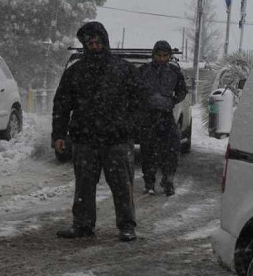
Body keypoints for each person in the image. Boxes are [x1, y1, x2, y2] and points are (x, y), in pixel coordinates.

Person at [52, 21, 140, 242]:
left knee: (122, 186)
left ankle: (127, 226)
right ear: (84, 45)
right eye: (89, 43)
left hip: (117, 141)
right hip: (84, 140)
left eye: (98, 41)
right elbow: (61, 105)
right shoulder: (75, 72)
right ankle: (82, 224)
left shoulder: (124, 69)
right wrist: (59, 135)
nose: (94, 46)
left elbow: (140, 101)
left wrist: (130, 127)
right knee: (84, 186)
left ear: (105, 41)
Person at [138, 40, 188, 197]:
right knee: (148, 150)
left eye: (165, 56)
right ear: (153, 55)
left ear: (169, 57)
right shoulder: (143, 71)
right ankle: (149, 182)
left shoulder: (174, 72)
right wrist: (142, 102)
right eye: (158, 55)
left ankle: (168, 181)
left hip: (166, 115)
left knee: (171, 149)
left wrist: (172, 101)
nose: (161, 59)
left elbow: (182, 91)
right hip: (148, 116)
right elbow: (133, 89)